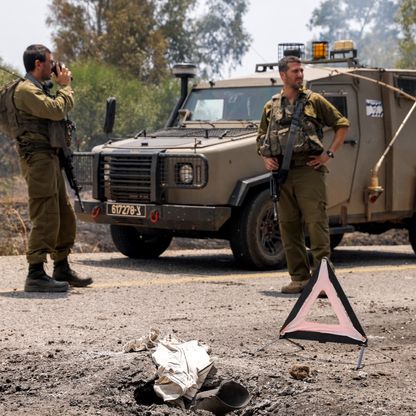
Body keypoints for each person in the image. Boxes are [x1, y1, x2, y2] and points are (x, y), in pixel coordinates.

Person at [256, 55, 349, 294]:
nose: (300, 75)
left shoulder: (314, 101)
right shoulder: (271, 105)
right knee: (288, 226)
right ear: (283, 75)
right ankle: (299, 278)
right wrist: (265, 157)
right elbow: (261, 137)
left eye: (301, 71)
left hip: (310, 170)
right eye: (295, 71)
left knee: (316, 225)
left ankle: (323, 281)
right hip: (283, 174)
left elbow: (341, 124)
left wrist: (329, 153)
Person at [13, 44, 92, 292]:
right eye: (50, 61)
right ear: (38, 64)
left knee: (63, 213)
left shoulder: (40, 89)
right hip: (37, 160)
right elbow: (56, 110)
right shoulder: (26, 90)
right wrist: (66, 86)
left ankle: (61, 266)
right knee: (45, 213)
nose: (54, 66)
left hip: (50, 158)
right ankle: (35, 273)